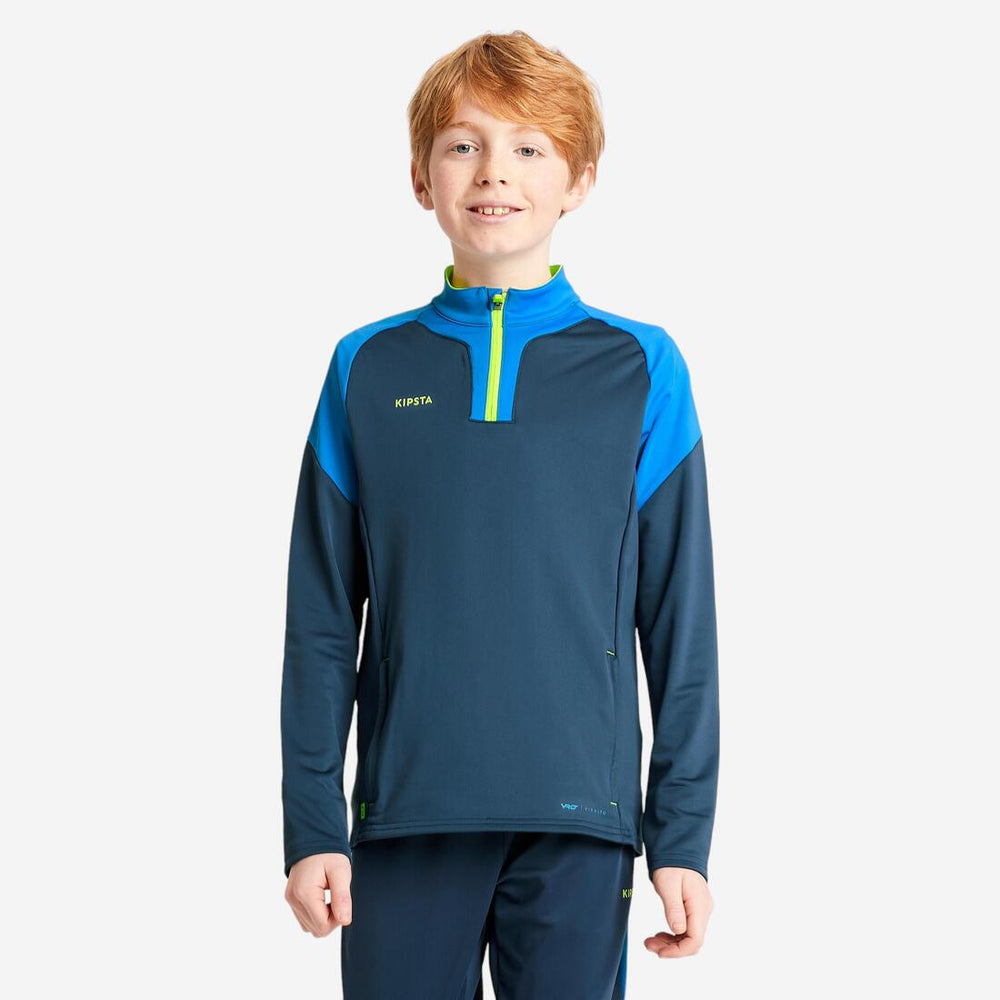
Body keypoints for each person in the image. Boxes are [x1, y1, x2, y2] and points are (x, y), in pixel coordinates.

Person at [280, 29, 719, 999]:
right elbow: (320, 622)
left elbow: (680, 623)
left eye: (528, 147)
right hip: (404, 818)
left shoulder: (640, 368)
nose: (494, 172)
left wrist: (680, 836)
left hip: (580, 822)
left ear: (579, 180)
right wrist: (312, 824)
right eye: (462, 144)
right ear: (420, 178)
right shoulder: (366, 367)